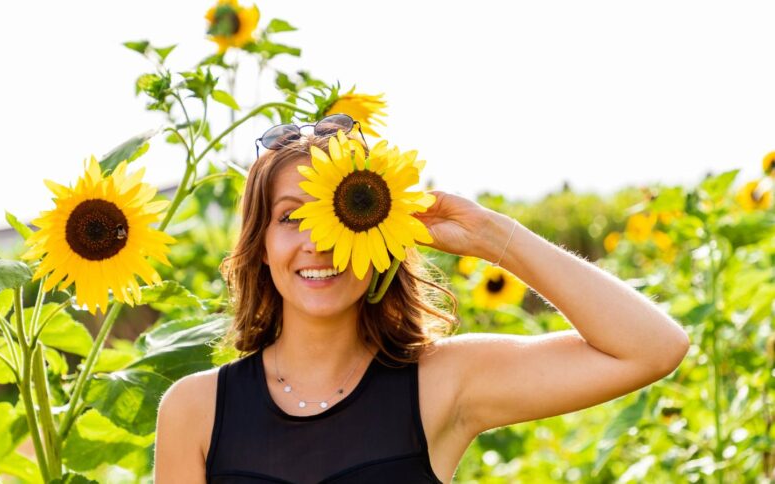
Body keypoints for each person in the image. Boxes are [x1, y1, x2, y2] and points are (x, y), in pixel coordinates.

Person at [153, 122, 690, 483]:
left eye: (338, 214)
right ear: (262, 247)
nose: (317, 240)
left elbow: (652, 348)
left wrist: (489, 234)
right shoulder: (195, 410)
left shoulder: (443, 382)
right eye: (292, 216)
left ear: (382, 237)